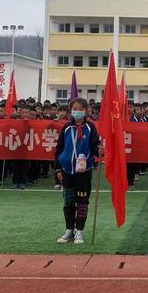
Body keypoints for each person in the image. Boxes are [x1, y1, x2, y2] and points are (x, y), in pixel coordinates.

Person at [54, 98, 102, 245]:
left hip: (84, 172)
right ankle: (69, 230)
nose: (78, 111)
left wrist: (100, 151)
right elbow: (59, 149)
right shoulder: (67, 128)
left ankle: (79, 231)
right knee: (68, 202)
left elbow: (94, 147)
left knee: (82, 202)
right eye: (75, 108)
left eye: (81, 108)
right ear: (70, 111)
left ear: (87, 110)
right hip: (67, 171)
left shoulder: (90, 128)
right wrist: (58, 168)